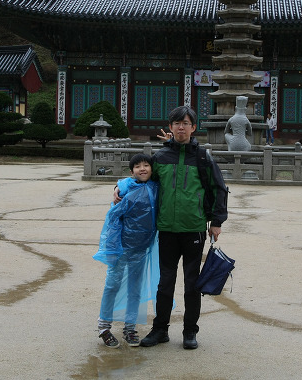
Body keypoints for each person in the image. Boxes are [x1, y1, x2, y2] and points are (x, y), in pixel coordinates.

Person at [117, 106, 228, 350]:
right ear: (170, 127)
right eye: (177, 123)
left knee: (192, 284)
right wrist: (120, 188)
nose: (181, 127)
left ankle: (190, 331)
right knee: (165, 283)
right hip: (167, 229)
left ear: (193, 127)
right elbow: (142, 179)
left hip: (194, 228)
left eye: (186, 123)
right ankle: (160, 330)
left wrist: (216, 221)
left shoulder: (202, 157)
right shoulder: (160, 157)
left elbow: (219, 188)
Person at [94, 153, 160, 348]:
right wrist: (112, 246)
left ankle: (130, 327)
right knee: (112, 284)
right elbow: (113, 218)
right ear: (131, 172)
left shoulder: (156, 187)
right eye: (137, 166)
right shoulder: (125, 190)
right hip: (122, 247)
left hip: (141, 248)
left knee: (135, 289)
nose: (142, 169)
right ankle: (104, 327)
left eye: (146, 165)